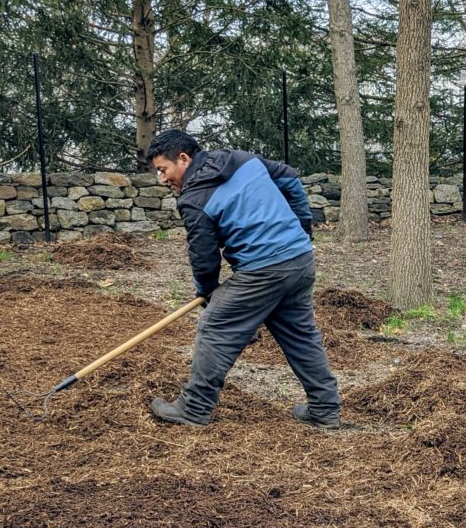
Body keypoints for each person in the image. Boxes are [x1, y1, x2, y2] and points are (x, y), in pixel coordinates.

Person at [144, 128, 341, 428]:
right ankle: (325, 410)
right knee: (300, 336)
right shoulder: (240, 159)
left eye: (163, 170)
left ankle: (194, 408)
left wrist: (208, 293)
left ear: (183, 159)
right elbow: (288, 176)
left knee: (214, 326)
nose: (162, 179)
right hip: (300, 260)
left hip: (264, 270)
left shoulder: (193, 199)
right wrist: (302, 229)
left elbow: (204, 256)